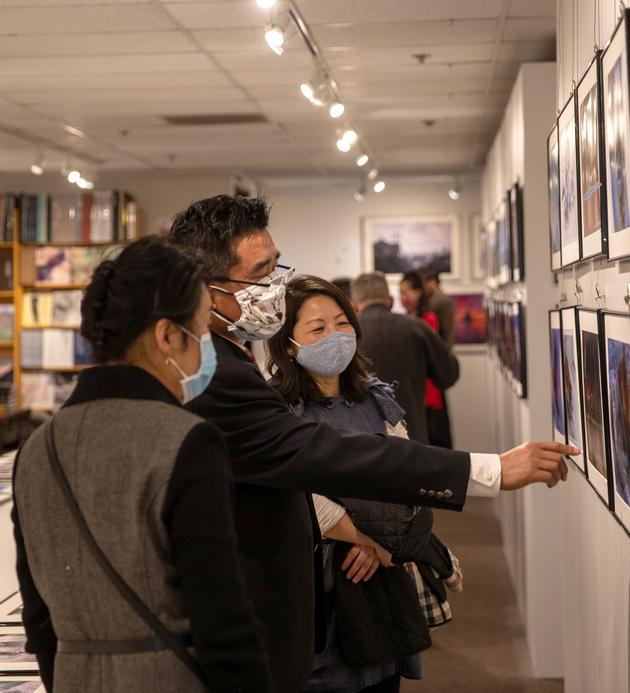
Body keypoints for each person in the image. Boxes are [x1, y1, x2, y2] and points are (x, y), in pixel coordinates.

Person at [167, 194, 575, 693]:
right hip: (261, 618)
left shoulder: (229, 358)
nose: (276, 285)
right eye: (261, 272)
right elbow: (324, 456)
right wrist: (483, 470)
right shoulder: (214, 374)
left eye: (278, 266)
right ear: (206, 288)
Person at [12, 237, 273, 692]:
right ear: (167, 336)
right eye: (201, 333)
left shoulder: (36, 449)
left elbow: (38, 619)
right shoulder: (186, 441)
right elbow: (222, 620)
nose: (204, 350)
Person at [268, 275, 433, 693]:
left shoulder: (378, 399)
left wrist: (376, 547)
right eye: (317, 328)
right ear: (289, 343)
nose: (335, 335)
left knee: (381, 675)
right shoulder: (279, 411)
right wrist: (370, 539)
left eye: (342, 323)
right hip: (318, 583)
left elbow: (406, 476)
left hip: (381, 578)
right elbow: (300, 496)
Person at [353, 272, 457, 444]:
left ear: (355, 305)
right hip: (414, 439)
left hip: (365, 443)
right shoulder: (417, 328)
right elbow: (449, 375)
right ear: (390, 300)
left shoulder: (349, 335)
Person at [399, 271, 453, 449]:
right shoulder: (406, 320)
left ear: (419, 292)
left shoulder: (428, 320)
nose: (403, 297)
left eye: (406, 292)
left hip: (429, 391)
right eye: (401, 293)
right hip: (414, 389)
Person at [422, 270, 454, 348]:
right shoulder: (436, 299)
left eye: (424, 283)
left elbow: (446, 332)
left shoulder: (440, 300)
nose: (423, 287)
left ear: (433, 282)